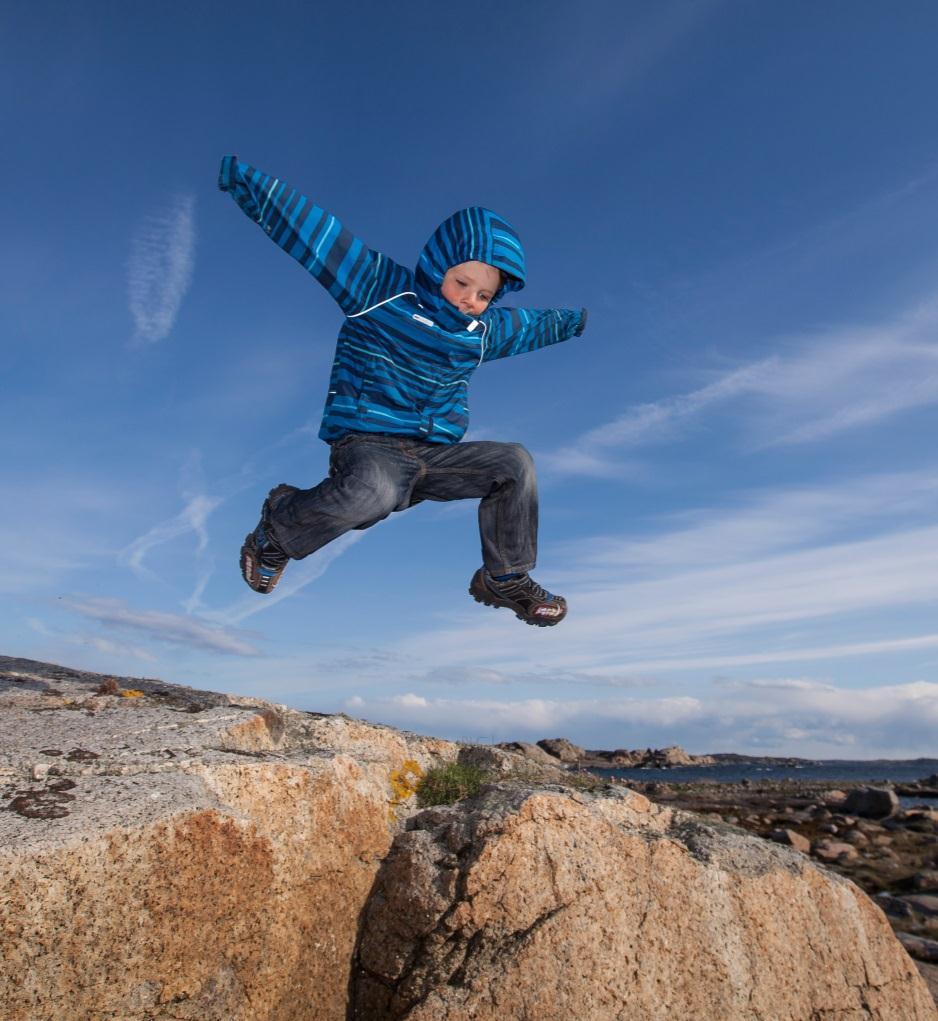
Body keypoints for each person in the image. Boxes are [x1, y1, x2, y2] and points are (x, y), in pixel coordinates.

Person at [218, 156, 588, 627]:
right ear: (438, 265)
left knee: (513, 463)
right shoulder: (379, 288)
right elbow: (318, 237)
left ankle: (505, 576)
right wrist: (252, 186)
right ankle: (277, 528)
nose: (469, 299)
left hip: (435, 457)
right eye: (461, 283)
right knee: (372, 493)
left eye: (483, 295)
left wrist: (576, 322)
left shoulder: (480, 332)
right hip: (369, 446)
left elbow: (531, 326)